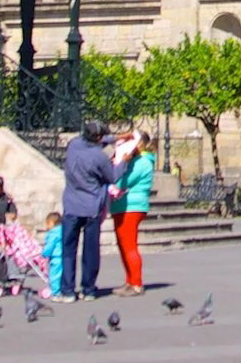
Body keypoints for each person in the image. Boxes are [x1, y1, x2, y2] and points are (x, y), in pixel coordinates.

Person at [60, 118, 132, 300]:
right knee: (90, 250)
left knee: (68, 250)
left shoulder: (74, 145)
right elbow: (112, 176)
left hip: (71, 205)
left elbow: (99, 140)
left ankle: (67, 290)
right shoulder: (99, 158)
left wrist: (118, 137)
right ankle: (88, 288)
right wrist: (123, 161)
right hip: (92, 207)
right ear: (99, 137)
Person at [109, 129, 155, 296]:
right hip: (122, 206)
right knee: (123, 245)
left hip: (132, 206)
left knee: (129, 246)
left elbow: (121, 181)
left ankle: (136, 283)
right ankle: (129, 281)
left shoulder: (142, 162)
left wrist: (120, 164)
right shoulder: (136, 161)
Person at [38, 211, 65, 298]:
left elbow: (50, 245)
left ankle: (55, 291)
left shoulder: (53, 234)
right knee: (62, 274)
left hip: (56, 257)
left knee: (54, 275)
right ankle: (63, 289)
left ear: (51, 223)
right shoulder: (63, 230)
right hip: (64, 256)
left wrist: (44, 253)